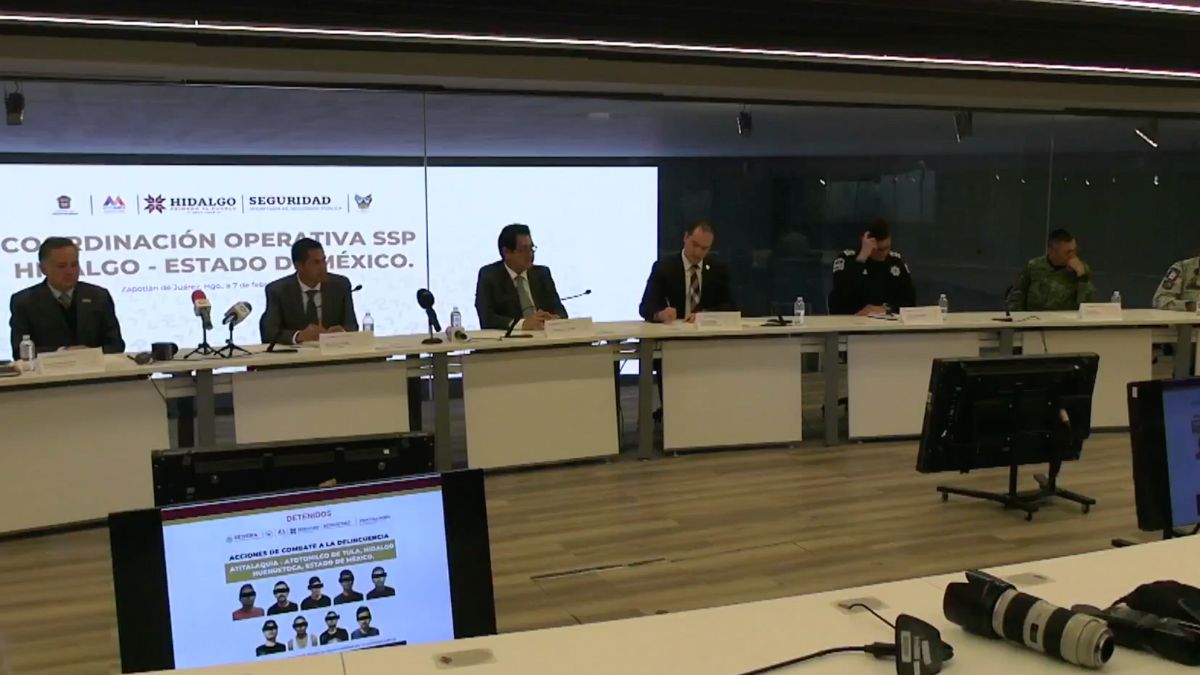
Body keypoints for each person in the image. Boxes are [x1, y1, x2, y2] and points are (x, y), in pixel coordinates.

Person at [9, 236, 125, 357]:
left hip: (95, 367)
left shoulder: (99, 297)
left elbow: (116, 346)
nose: (69, 271)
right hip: (49, 369)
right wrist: (63, 353)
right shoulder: (24, 302)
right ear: (43, 269)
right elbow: (19, 351)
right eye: (62, 266)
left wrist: (88, 353)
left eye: (74, 265)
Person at [259, 237, 359, 345]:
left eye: (324, 260)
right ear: (298, 266)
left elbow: (352, 325)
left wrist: (342, 332)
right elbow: (269, 333)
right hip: (296, 354)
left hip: (332, 351)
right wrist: (298, 336)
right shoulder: (278, 290)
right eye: (316, 262)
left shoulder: (340, 285)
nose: (323, 267)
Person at [638, 221, 737, 323]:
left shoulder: (717, 270)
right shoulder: (664, 267)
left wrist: (704, 316)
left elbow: (730, 307)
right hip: (675, 329)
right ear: (685, 237)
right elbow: (646, 307)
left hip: (706, 330)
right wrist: (661, 315)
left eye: (704, 248)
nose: (698, 252)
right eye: (695, 245)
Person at [474, 223, 567, 331]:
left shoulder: (542, 273)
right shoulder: (489, 276)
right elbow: (487, 319)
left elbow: (559, 309)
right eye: (524, 250)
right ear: (506, 252)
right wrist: (522, 324)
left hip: (544, 335)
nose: (530, 255)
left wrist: (555, 319)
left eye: (531, 248)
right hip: (512, 339)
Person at [828, 220, 916, 315]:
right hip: (852, 319)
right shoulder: (847, 259)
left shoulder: (896, 262)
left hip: (886, 320)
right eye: (879, 250)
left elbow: (910, 302)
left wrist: (885, 309)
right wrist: (862, 257)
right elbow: (840, 296)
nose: (884, 253)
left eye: (887, 248)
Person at [1008, 229, 1096, 311]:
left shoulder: (1080, 269)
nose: (1072, 255)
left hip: (1064, 320)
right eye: (1068, 252)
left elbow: (1087, 307)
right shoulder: (1034, 266)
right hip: (1034, 319)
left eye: (1074, 250)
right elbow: (1017, 295)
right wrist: (1017, 318)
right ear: (1051, 251)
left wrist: (1081, 275)